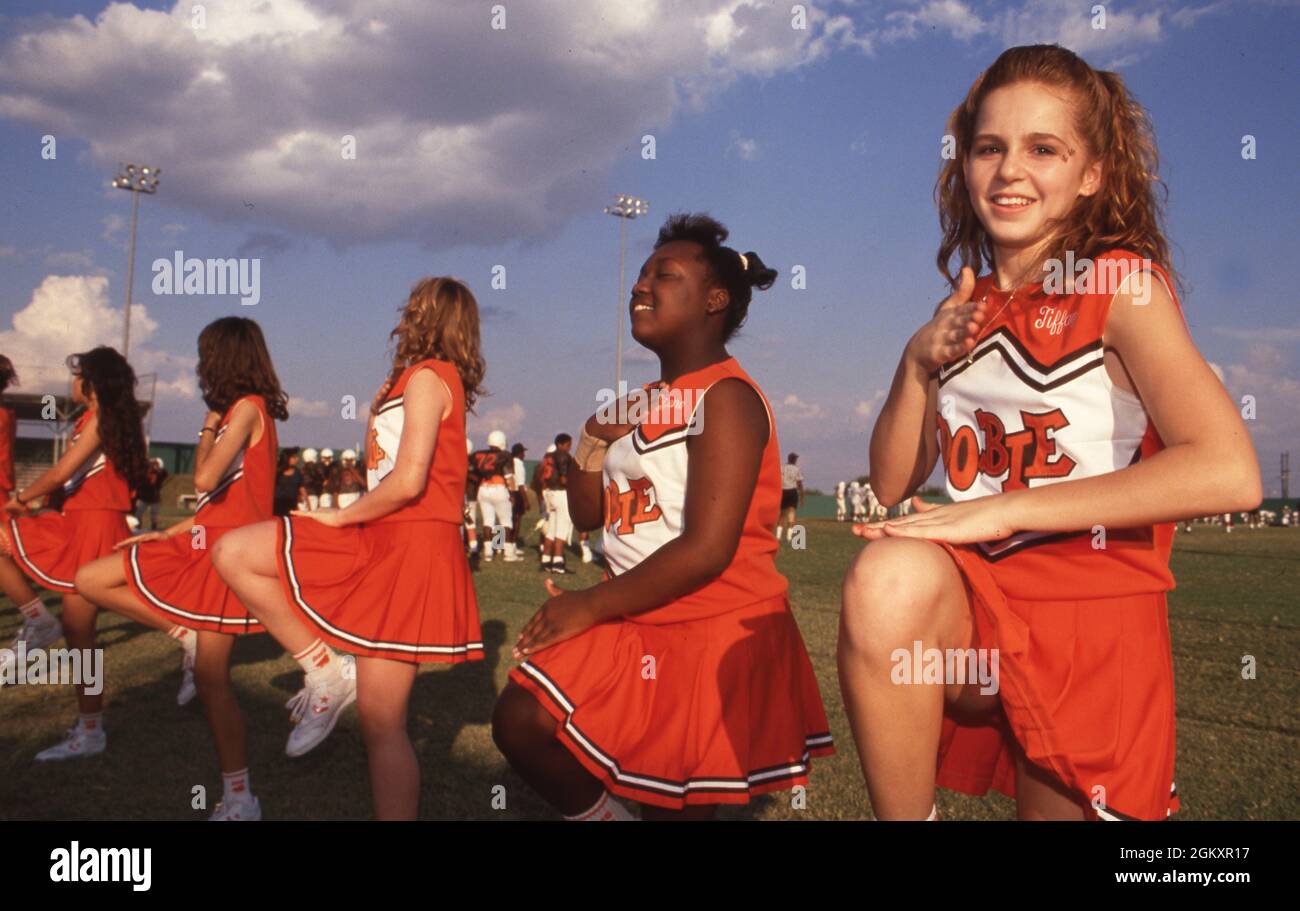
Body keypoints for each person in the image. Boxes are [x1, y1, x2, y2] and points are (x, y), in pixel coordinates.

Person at [838, 45, 1262, 821]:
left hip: (1089, 624)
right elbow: (892, 481)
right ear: (963, 163)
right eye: (989, 147)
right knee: (886, 579)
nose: (1010, 171)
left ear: (1092, 173)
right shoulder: (963, 309)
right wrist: (914, 363)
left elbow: (1230, 470)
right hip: (979, 611)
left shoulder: (1119, 287)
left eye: (1044, 149)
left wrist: (1003, 509)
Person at [492, 213, 832, 820]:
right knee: (520, 721)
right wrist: (593, 443)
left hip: (707, 622)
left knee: (673, 805)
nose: (640, 286)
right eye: (642, 274)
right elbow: (589, 516)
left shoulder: (725, 396)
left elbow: (708, 549)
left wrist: (586, 605)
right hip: (637, 609)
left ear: (715, 300)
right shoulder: (637, 404)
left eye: (665, 275)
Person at [212, 276, 486, 820]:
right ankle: (325, 669)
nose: (406, 309)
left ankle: (326, 671)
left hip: (409, 544)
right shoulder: (404, 378)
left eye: (418, 304)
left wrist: (338, 516)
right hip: (383, 533)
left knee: (385, 726)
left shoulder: (433, 376)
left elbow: (408, 482)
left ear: (435, 316)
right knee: (234, 552)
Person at [74, 317, 307, 819]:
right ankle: (183, 631)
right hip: (206, 538)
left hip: (228, 553)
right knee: (89, 579)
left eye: (206, 354)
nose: (200, 364)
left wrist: (205, 425)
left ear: (223, 358)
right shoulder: (242, 411)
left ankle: (240, 797)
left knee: (212, 681)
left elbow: (204, 479)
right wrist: (174, 531)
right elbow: (221, 501)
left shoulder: (246, 408)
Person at [0, 348, 148, 761]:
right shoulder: (95, 419)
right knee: (79, 634)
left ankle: (188, 635)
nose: (72, 382)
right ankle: (90, 728)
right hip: (83, 521)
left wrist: (23, 500)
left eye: (78, 375)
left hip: (94, 525)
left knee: (83, 631)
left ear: (92, 383)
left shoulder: (101, 420)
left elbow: (62, 472)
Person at [471, 431, 521, 562]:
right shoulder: (504, 455)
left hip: (483, 489)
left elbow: (473, 472)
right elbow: (509, 477)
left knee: (488, 521)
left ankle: (490, 551)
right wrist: (513, 493)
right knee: (506, 521)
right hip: (499, 488)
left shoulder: (478, 454)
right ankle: (509, 553)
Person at [539, 434, 574, 573]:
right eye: (568, 444)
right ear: (561, 444)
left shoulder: (548, 455)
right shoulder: (563, 455)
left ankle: (546, 560)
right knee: (561, 529)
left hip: (549, 492)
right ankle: (558, 562)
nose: (569, 447)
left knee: (551, 529)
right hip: (560, 493)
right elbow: (564, 479)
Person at [134, 458, 168, 531]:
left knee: (154, 515)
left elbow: (165, 473)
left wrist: (157, 467)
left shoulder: (159, 474)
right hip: (144, 497)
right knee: (138, 514)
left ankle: (154, 528)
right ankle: (138, 527)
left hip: (154, 498)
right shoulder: (145, 474)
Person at [776, 452, 804, 544]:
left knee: (782, 514)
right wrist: (802, 495)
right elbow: (800, 483)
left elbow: (777, 479)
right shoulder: (797, 469)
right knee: (791, 514)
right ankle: (788, 538)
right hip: (792, 491)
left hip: (783, 491)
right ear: (794, 459)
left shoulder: (781, 467)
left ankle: (778, 537)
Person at [273, 448, 304, 517]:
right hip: (277, 504)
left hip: (292, 505)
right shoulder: (277, 471)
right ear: (287, 458)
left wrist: (308, 505)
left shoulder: (298, 472)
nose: (297, 459)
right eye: (294, 457)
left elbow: (302, 488)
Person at [510, 443, 529, 549]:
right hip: (517, 493)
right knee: (516, 520)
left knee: (503, 520)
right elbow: (521, 485)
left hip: (506, 492)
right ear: (520, 453)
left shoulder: (509, 461)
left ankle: (498, 545)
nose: (524, 455)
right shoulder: (519, 464)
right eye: (523, 453)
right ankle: (512, 545)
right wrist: (526, 500)